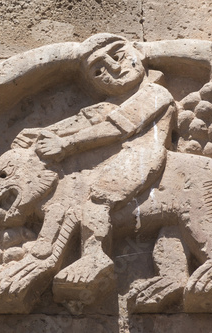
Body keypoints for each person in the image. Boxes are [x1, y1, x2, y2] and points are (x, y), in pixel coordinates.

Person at [29, 34, 176, 300]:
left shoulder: (155, 93)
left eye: (117, 56)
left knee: (96, 200)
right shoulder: (110, 105)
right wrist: (41, 133)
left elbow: (115, 129)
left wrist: (67, 145)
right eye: (99, 71)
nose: (114, 68)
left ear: (138, 53)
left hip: (140, 156)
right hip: (115, 159)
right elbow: (83, 121)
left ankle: (95, 260)